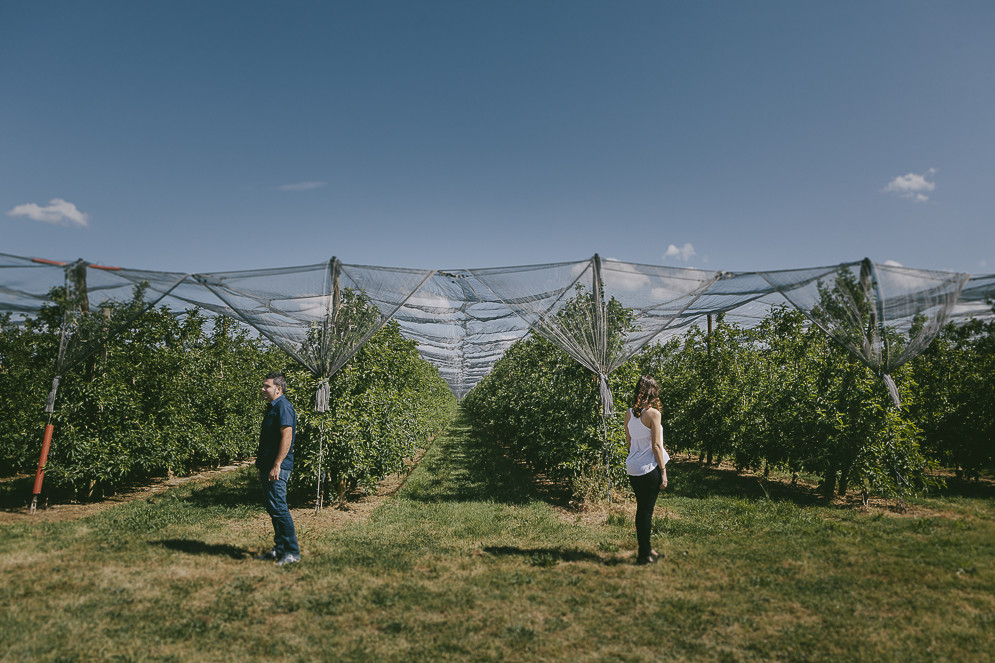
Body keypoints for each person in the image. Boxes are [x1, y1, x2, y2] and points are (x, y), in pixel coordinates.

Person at [624, 375, 670, 565]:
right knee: (646, 512)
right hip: (649, 469)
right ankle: (643, 556)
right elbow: (656, 446)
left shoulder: (628, 413)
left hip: (633, 467)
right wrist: (663, 471)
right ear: (654, 392)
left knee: (641, 510)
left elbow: (629, 442)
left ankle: (647, 548)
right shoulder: (653, 414)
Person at [256, 372, 300, 566]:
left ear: (278, 389)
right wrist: (262, 466)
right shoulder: (272, 408)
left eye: (267, 386)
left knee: (280, 509)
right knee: (273, 508)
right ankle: (280, 548)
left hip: (278, 467)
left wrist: (277, 465)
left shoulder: (284, 407)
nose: (263, 389)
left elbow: (286, 437)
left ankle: (292, 552)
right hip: (268, 466)